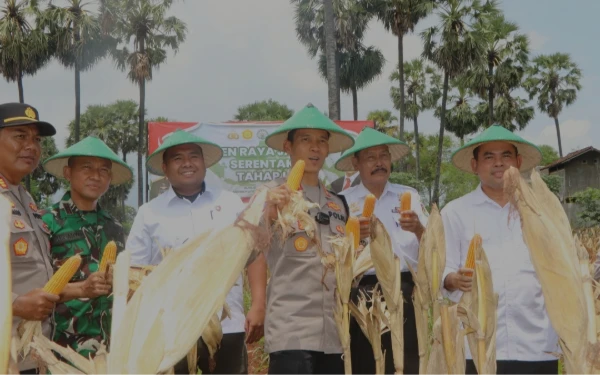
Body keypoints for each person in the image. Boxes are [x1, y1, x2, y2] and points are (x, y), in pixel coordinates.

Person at [126, 129, 267, 375]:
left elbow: (254, 255)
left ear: (204, 162)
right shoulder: (149, 213)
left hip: (227, 324)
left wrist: (258, 304)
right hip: (170, 329)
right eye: (178, 158)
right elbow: (134, 273)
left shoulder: (231, 203)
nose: (187, 163)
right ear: (165, 166)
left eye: (194, 156)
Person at [441, 125, 559, 375]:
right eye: (488, 157)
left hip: (537, 344)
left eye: (506, 156)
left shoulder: (542, 212)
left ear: (518, 162)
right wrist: (454, 279)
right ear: (474, 165)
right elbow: (444, 270)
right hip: (477, 343)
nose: (499, 163)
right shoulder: (455, 213)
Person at [258, 103, 361, 375]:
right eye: (305, 140)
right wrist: (268, 214)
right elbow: (249, 250)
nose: (315, 148)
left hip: (335, 333)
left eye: (322, 141)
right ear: (287, 147)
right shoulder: (269, 195)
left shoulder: (338, 204)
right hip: (292, 330)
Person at [335, 127, 427, 375]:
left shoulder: (409, 195)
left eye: (384, 156)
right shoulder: (341, 201)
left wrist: (418, 228)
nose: (379, 163)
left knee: (407, 364)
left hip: (405, 290)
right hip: (362, 291)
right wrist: (354, 238)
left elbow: (432, 247)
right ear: (356, 162)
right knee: (366, 364)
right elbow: (336, 254)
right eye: (371, 157)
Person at [41, 136, 133, 358]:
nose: (96, 176)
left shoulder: (114, 226)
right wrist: (83, 288)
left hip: (110, 349)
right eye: (86, 168)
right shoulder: (46, 221)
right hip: (62, 350)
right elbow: (36, 288)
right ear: (68, 173)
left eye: (103, 170)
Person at [0, 102, 60, 374]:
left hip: (34, 351)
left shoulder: (24, 198)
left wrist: (81, 289)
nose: (32, 146)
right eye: (20, 136)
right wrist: (14, 304)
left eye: (36, 139)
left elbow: (33, 274)